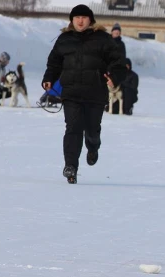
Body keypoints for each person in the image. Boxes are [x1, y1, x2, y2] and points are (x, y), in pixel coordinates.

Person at [42, 4, 127, 183]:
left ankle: (93, 146)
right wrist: (49, 78)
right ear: (72, 20)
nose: (80, 21)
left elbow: (118, 61)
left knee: (91, 129)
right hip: (71, 92)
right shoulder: (64, 39)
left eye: (84, 17)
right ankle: (70, 166)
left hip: (95, 92)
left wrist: (114, 76)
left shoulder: (103, 39)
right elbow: (54, 62)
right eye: (77, 17)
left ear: (90, 20)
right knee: (72, 128)